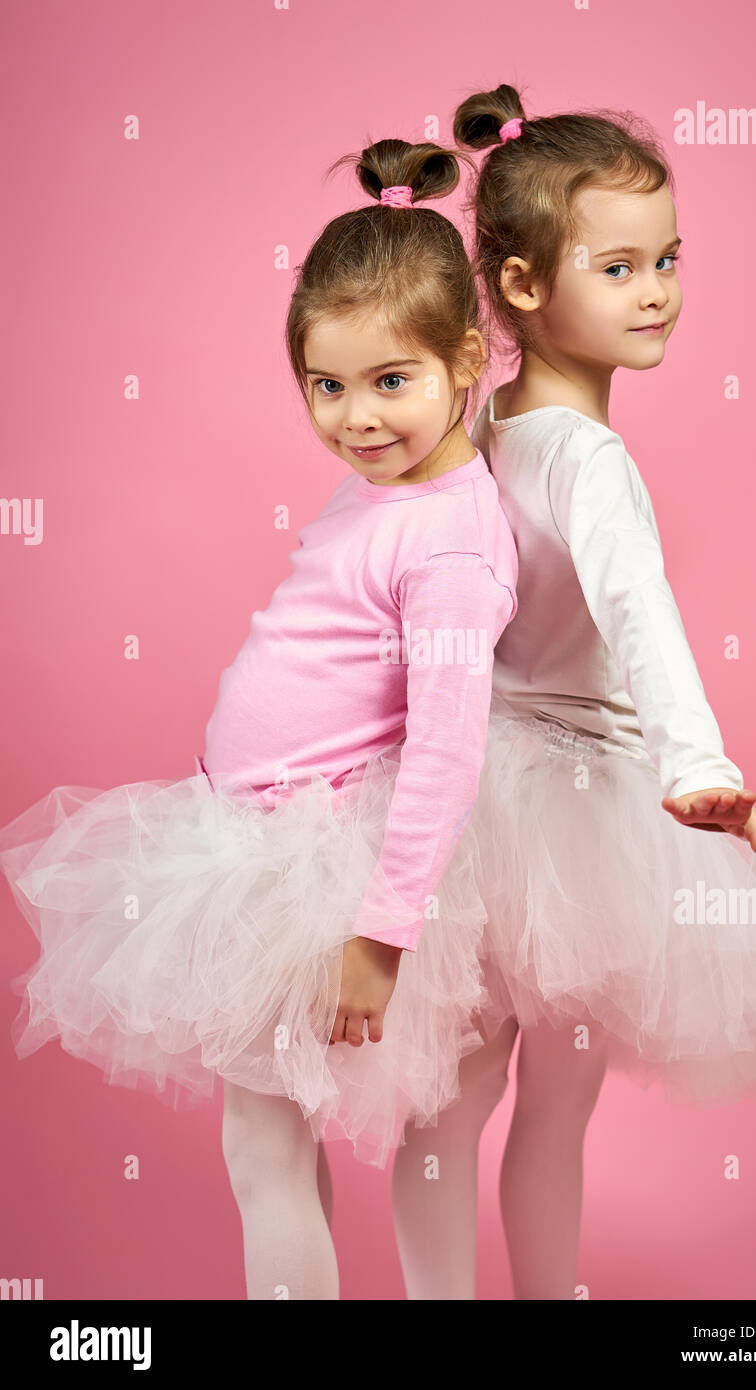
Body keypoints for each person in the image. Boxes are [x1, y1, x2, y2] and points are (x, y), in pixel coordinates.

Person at [0, 137, 518, 1299]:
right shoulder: (385, 487)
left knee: (262, 1145)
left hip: (329, 876)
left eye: (391, 382)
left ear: (468, 360)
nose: (354, 417)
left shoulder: (447, 535)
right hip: (252, 841)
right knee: (270, 1143)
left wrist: (380, 938)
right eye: (326, 387)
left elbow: (445, 742)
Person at [389, 86, 756, 1301]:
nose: (655, 288)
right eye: (618, 265)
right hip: (575, 809)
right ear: (524, 285)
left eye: (665, 258)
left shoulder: (473, 424)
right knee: (551, 1110)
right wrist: (695, 766)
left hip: (467, 792)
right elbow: (639, 617)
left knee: (448, 1107)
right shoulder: (587, 458)